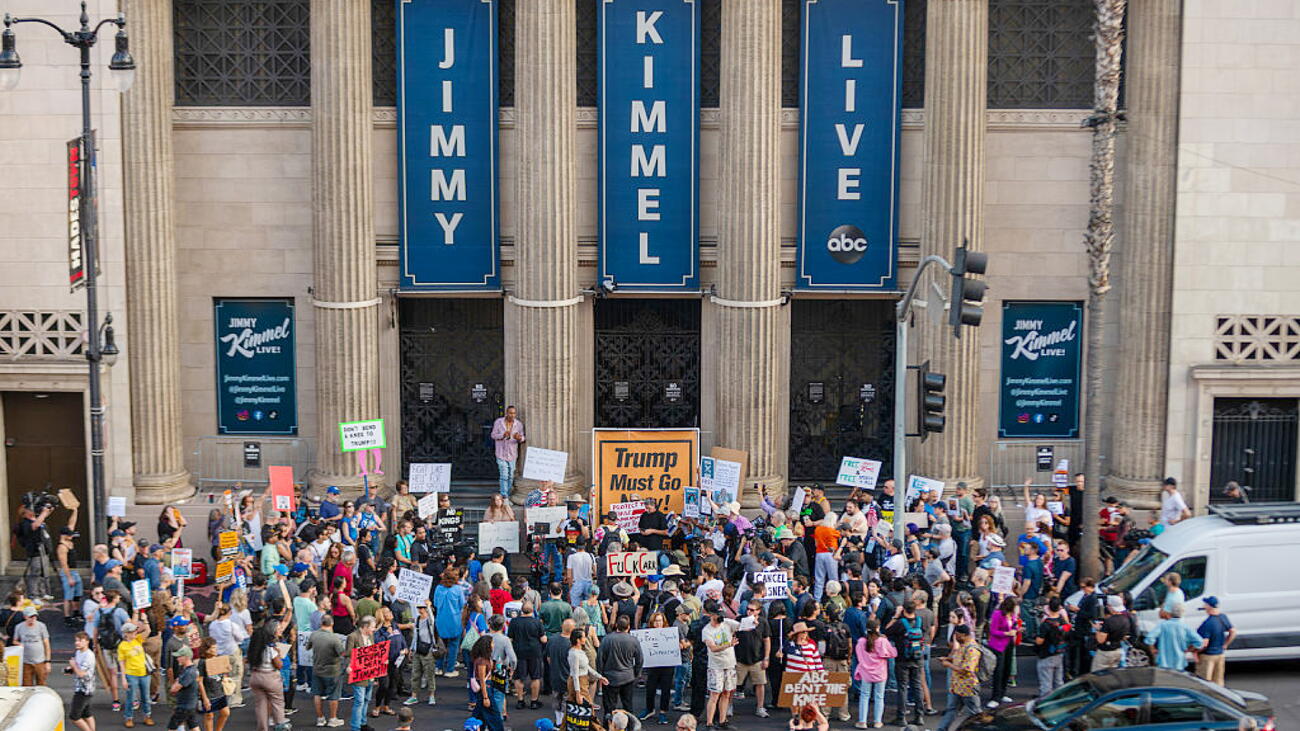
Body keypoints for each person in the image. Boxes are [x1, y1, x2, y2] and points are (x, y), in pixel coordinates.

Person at [700, 601, 739, 731]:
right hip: (716, 666)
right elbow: (713, 648)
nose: (721, 617)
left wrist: (752, 621)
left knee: (727, 693)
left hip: (729, 664)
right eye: (718, 615)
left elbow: (742, 626)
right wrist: (729, 644)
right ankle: (709, 723)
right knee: (714, 694)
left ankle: (723, 721)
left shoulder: (727, 622)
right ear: (711, 615)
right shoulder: (707, 630)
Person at [935, 625, 982, 731]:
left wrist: (948, 665)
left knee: (976, 713)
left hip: (968, 687)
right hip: (957, 686)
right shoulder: (963, 645)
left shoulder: (972, 649)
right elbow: (959, 660)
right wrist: (948, 659)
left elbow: (967, 670)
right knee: (951, 709)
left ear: (964, 635)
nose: (955, 637)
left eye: (957, 635)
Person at [852, 617, 895, 729]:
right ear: (878, 628)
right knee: (879, 697)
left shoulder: (861, 642)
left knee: (864, 696)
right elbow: (893, 653)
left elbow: (858, 655)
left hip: (866, 673)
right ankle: (877, 721)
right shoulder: (882, 641)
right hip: (880, 673)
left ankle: (862, 721)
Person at [598, 615, 643, 717]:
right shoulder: (633, 640)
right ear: (628, 627)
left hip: (609, 678)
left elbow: (600, 659)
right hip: (628, 676)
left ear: (616, 625)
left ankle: (608, 726)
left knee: (609, 707)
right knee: (628, 706)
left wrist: (600, 675)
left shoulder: (606, 639)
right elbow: (639, 659)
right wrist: (636, 674)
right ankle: (630, 726)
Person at [734, 600, 771, 719]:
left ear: (759, 611)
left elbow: (766, 640)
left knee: (760, 684)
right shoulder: (740, 619)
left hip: (757, 659)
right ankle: (728, 706)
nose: (748, 611)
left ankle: (760, 707)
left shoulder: (763, 622)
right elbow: (732, 634)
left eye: (752, 610)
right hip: (740, 659)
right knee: (732, 685)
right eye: (748, 609)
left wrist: (766, 657)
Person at [509, 600, 547, 710]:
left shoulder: (514, 622)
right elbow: (543, 639)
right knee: (535, 677)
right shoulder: (537, 622)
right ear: (532, 610)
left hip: (519, 652)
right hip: (534, 652)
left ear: (521, 610)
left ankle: (520, 701)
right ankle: (534, 701)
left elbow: (510, 638)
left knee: (519, 678)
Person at [1144, 603, 1205, 670]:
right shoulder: (1185, 627)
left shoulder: (1163, 626)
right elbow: (1199, 642)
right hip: (1180, 663)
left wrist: (1153, 649)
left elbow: (1149, 638)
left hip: (1163, 662)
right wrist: (1189, 650)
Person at [118, 620, 155, 728]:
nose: (135, 633)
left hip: (144, 673)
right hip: (131, 674)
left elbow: (148, 631)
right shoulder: (122, 646)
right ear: (126, 633)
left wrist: (145, 620)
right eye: (133, 631)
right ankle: (129, 718)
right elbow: (122, 663)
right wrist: (123, 678)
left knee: (146, 697)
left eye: (135, 631)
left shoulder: (138, 639)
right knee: (131, 697)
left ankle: (147, 716)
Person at [345, 615, 378, 731]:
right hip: (358, 673)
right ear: (365, 626)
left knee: (366, 700)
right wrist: (349, 666)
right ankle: (355, 727)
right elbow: (348, 654)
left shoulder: (371, 636)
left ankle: (362, 723)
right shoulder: (352, 637)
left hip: (369, 673)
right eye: (373, 627)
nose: (374, 629)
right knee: (359, 701)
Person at [985, 596, 1019, 709]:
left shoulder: (1013, 616)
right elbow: (993, 630)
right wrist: (1006, 634)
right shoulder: (998, 614)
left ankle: (1002, 693)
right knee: (998, 671)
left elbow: (1014, 625)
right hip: (998, 645)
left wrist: (1016, 630)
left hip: (1009, 644)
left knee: (1007, 669)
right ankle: (995, 697)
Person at [642, 612, 676, 724]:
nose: (658, 623)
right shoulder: (647, 633)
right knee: (650, 689)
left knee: (665, 690)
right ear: (652, 622)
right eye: (656, 621)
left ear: (664, 621)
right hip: (653, 666)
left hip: (667, 666)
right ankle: (649, 709)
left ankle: (663, 712)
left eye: (660, 620)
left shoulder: (669, 633)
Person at [1034, 597, 1070, 696]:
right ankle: (1060, 701)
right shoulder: (1063, 622)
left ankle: (1045, 704)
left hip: (1047, 654)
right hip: (1059, 652)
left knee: (1046, 683)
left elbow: (1039, 641)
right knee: (1058, 681)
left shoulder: (1046, 624)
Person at [1195, 597, 1235, 686]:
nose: (1204, 606)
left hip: (1207, 657)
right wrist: (1225, 644)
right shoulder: (1223, 617)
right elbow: (1233, 631)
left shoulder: (1207, 623)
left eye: (1205, 604)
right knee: (1219, 683)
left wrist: (1196, 653)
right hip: (1220, 655)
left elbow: (1204, 643)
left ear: (1209, 607)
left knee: (1205, 683)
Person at [407, 601, 440, 707]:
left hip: (428, 650)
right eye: (419, 608)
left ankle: (431, 695)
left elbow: (432, 619)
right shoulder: (417, 620)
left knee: (429, 674)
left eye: (422, 608)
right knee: (415, 674)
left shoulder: (429, 621)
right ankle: (414, 696)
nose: (420, 609)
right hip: (418, 650)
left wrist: (429, 606)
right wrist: (412, 649)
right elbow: (415, 636)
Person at [490, 405, 526, 497]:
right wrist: (502, 435)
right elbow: (493, 435)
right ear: (506, 413)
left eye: (514, 413)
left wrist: (519, 438)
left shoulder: (518, 424)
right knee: (504, 475)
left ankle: (508, 494)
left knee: (510, 476)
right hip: (501, 453)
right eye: (510, 413)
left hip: (512, 454)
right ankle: (504, 495)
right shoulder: (498, 422)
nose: (512, 415)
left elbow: (523, 438)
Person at [167, 645, 205, 731]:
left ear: (186, 657)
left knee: (172, 728)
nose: (177, 659)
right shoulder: (192, 669)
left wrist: (177, 681)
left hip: (184, 706)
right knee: (193, 726)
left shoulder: (188, 672)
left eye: (179, 657)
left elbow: (173, 689)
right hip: (190, 705)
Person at [471, 635, 505, 731]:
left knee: (480, 713)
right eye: (492, 643)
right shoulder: (482, 661)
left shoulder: (484, 659)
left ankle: (474, 727)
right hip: (486, 688)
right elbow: (482, 680)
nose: (493, 645)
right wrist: (486, 697)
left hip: (486, 687)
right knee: (494, 714)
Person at [12, 605, 50, 685]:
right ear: (25, 617)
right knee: (26, 685)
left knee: (42, 684)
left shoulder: (41, 626)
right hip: (26, 662)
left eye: (35, 616)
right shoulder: (19, 627)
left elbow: (46, 644)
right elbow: (14, 641)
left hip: (40, 661)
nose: (33, 619)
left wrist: (47, 661)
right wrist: (19, 644)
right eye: (31, 617)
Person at [1091, 595, 1130, 672]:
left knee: (1098, 675)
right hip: (1118, 650)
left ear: (1110, 606)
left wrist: (1097, 629)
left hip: (1106, 652)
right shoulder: (1125, 620)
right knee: (1112, 674)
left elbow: (1100, 640)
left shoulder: (1109, 621)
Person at [69, 631, 98, 731]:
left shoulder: (88, 655)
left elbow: (81, 673)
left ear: (87, 642)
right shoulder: (78, 652)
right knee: (87, 714)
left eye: (80, 641)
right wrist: (71, 669)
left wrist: (73, 666)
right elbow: (78, 669)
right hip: (81, 687)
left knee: (74, 716)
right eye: (76, 640)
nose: (77, 643)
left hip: (84, 690)